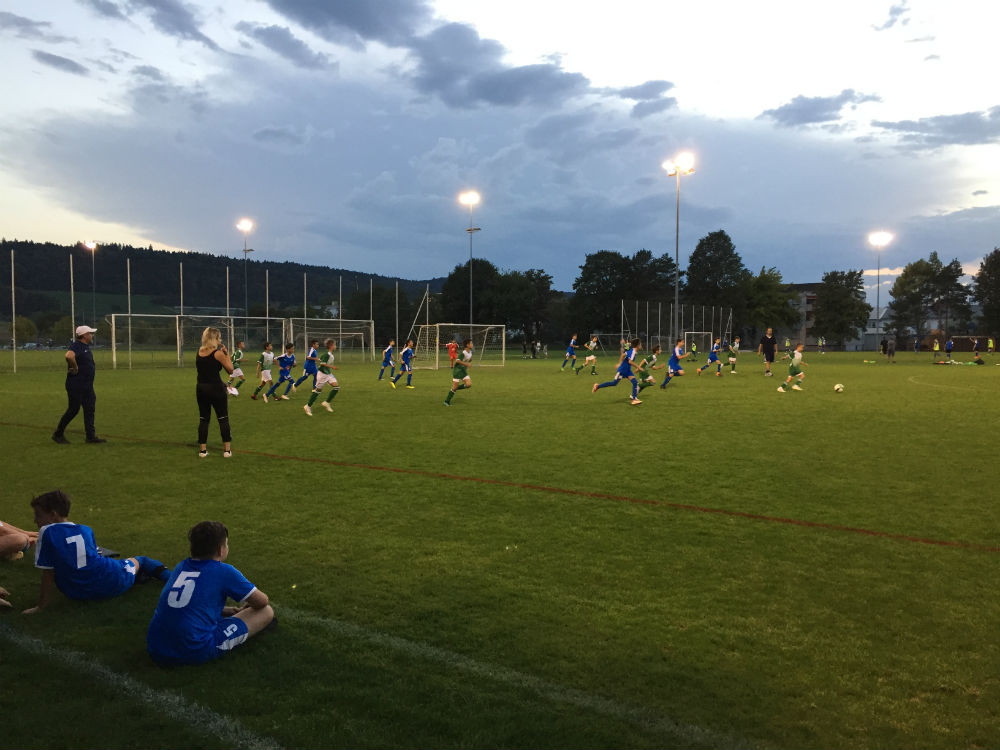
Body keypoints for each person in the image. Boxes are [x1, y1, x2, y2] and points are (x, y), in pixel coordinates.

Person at [146, 521, 274, 666]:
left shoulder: (181, 567)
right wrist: (247, 608)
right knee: (266, 611)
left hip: (155, 646)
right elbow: (262, 601)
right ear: (220, 550)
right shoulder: (224, 571)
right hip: (193, 650)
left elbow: (185, 603)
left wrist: (225, 610)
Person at [23, 490, 170, 614]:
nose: (35, 520)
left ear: (53, 515)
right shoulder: (85, 530)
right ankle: (170, 578)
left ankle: (154, 578)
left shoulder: (46, 531)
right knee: (140, 560)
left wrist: (40, 607)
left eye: (38, 515)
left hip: (76, 592)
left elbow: (48, 573)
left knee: (125, 564)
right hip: (111, 582)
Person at [52, 325, 106, 445]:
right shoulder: (77, 345)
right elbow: (69, 355)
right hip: (76, 385)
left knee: (89, 409)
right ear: (84, 335)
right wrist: (75, 368)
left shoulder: (85, 347)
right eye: (90, 333)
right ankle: (58, 434)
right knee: (73, 409)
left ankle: (90, 437)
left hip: (87, 386)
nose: (92, 335)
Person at [196, 327, 234, 459]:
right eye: (219, 338)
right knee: (223, 418)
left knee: (204, 419)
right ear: (214, 338)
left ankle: (202, 450)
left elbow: (206, 372)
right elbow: (230, 370)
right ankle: (227, 450)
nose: (220, 340)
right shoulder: (218, 353)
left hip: (201, 388)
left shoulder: (199, 352)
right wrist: (227, 355)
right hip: (216, 389)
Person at [592, 338, 643, 405]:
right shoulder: (632, 352)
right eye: (640, 344)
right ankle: (597, 386)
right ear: (638, 345)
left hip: (627, 370)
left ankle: (634, 398)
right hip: (623, 370)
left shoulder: (632, 350)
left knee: (635, 382)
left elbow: (623, 355)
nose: (641, 345)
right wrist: (639, 367)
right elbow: (630, 361)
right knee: (614, 383)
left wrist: (625, 344)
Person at [303, 340, 339, 416]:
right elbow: (322, 364)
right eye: (334, 345)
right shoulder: (327, 354)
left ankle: (327, 403)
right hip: (322, 374)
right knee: (318, 391)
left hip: (328, 373)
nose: (335, 346)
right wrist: (332, 367)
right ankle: (308, 406)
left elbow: (321, 359)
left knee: (336, 387)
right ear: (331, 346)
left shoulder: (329, 354)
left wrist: (322, 361)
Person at [444, 339, 473, 406]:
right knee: (454, 387)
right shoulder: (463, 353)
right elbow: (457, 360)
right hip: (457, 371)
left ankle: (455, 388)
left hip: (463, 371)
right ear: (467, 345)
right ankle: (446, 401)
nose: (472, 344)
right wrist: (466, 364)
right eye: (471, 343)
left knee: (468, 384)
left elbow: (469, 359)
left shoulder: (470, 352)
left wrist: (469, 362)